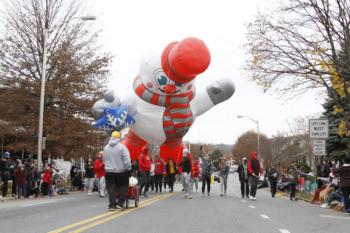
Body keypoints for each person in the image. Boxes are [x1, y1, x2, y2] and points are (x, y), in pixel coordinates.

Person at [103, 131, 131, 211]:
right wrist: (128, 169)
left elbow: (104, 160)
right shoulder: (122, 147)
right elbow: (127, 160)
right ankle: (120, 203)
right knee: (123, 186)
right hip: (121, 171)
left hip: (109, 171)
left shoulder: (106, 148)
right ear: (119, 138)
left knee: (111, 188)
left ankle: (112, 205)